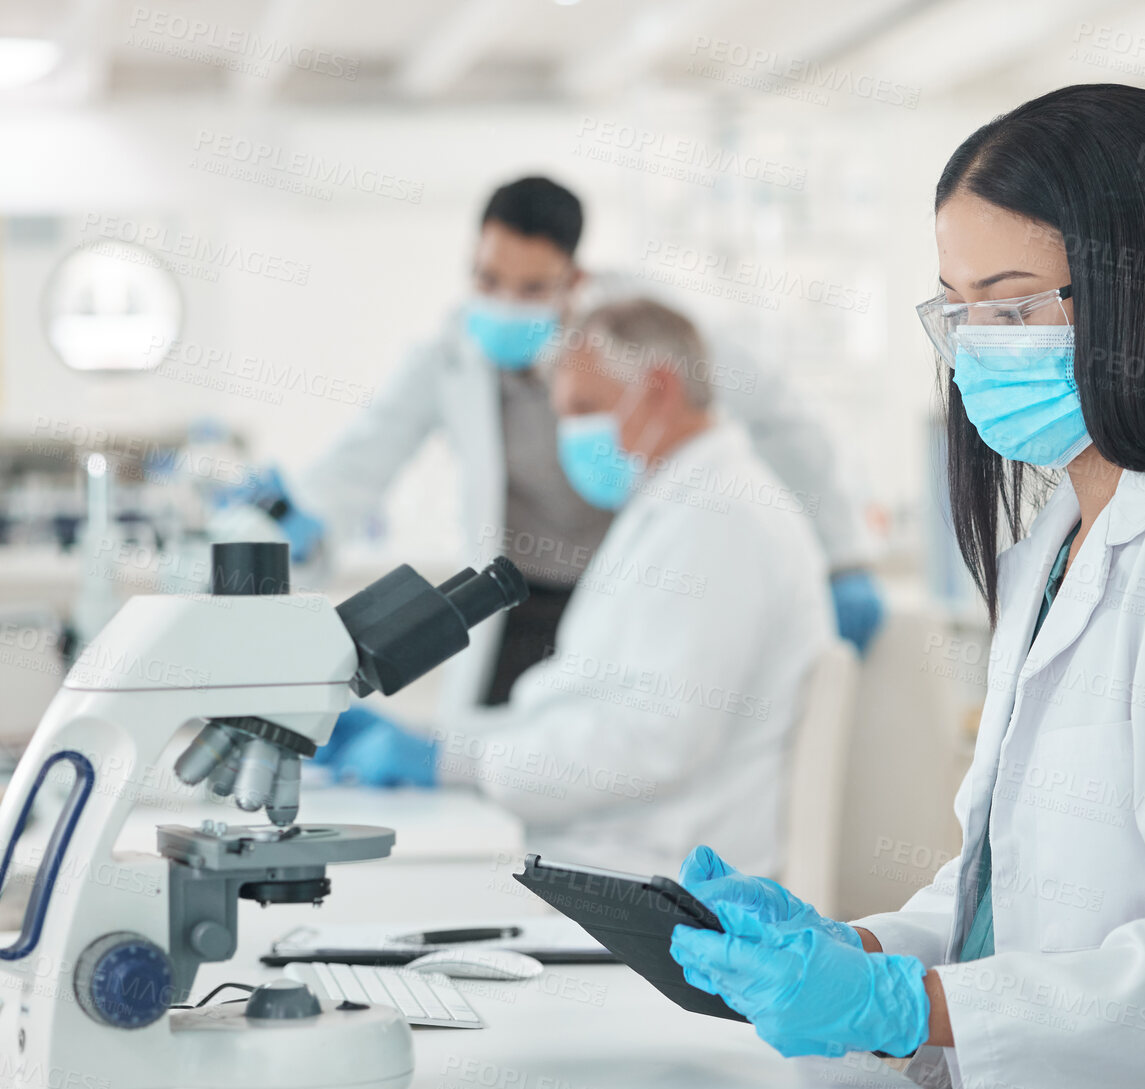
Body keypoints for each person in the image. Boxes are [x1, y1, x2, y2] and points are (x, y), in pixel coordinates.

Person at [666, 83, 1145, 1089]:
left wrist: (907, 1007)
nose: (978, 346)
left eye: (1013, 308)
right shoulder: (1058, 544)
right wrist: (854, 950)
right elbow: (1005, 901)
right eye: (959, 308)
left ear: (1138, 296)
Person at [237, 176, 881, 721]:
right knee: (505, 762)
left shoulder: (633, 330)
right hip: (513, 600)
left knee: (612, 752)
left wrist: (843, 558)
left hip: (624, 588)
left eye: (530, 289)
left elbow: (779, 417)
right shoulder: (447, 357)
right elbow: (367, 452)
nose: (503, 304)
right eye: (488, 280)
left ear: (575, 278)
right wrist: (306, 520)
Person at [315, 298, 835, 875]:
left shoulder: (720, 522)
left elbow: (655, 741)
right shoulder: (674, 509)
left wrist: (458, 764)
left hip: (659, 877)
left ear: (658, 390)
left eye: (585, 409)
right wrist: (445, 743)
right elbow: (581, 705)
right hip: (612, 849)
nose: (571, 438)